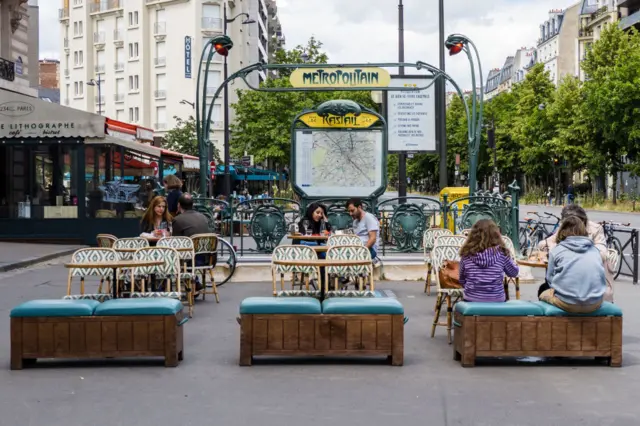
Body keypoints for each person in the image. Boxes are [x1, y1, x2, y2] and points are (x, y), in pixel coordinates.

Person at [538, 204, 613, 302]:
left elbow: (602, 253)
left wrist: (571, 252)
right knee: (546, 287)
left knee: (547, 289)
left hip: (588, 278)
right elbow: (544, 243)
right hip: (592, 296)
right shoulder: (566, 227)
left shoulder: (595, 229)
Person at [458, 219, 519, 303]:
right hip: (497, 299)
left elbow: (461, 279)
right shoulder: (502, 253)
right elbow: (513, 273)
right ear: (496, 235)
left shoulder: (466, 254)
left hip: (471, 299)